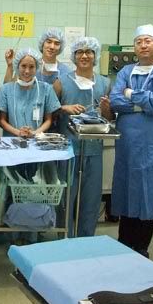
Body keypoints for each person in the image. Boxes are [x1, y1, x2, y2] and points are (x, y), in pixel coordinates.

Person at [110, 24, 153, 258]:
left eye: (148, 40)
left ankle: (141, 247)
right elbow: (115, 101)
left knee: (148, 187)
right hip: (127, 142)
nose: (143, 45)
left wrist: (130, 94)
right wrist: (145, 105)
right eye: (138, 41)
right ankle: (123, 244)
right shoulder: (125, 71)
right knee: (126, 186)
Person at [53, 37, 113, 237]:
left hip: (94, 151)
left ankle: (86, 240)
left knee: (91, 200)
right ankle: (65, 239)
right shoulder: (61, 82)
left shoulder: (105, 83)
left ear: (95, 56)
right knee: (66, 198)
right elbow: (49, 112)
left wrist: (106, 109)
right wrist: (64, 107)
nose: (84, 56)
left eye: (89, 52)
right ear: (74, 56)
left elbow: (109, 118)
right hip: (69, 150)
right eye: (80, 52)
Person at [0, 47, 61, 139]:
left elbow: (48, 120)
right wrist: (18, 132)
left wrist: (34, 133)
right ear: (17, 66)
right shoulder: (5, 90)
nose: (27, 71)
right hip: (12, 140)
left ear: (37, 68)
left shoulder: (46, 89)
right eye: (23, 66)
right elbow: (2, 121)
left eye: (31, 67)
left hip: (37, 140)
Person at [4, 28, 71, 85]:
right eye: (49, 42)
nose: (52, 47)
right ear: (42, 44)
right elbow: (8, 91)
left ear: (60, 47)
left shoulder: (65, 72)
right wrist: (10, 66)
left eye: (56, 43)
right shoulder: (29, 67)